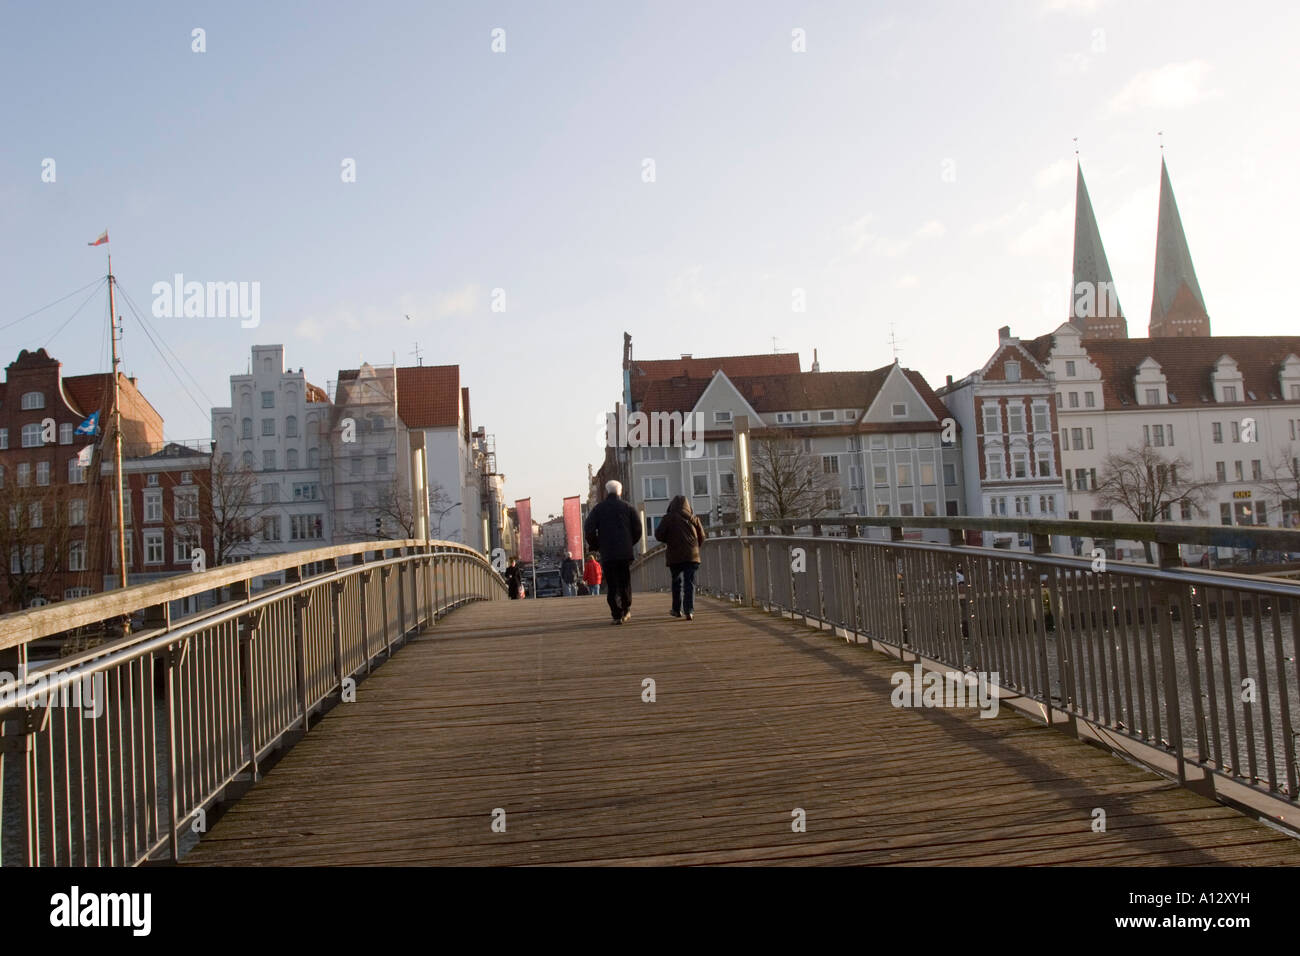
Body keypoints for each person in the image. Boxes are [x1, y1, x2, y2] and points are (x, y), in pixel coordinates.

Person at [583, 480, 642, 624]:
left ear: (607, 491)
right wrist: (630, 543)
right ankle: (626, 608)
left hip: (608, 552)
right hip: (624, 552)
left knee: (612, 583)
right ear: (620, 492)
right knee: (625, 581)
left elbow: (589, 529)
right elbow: (638, 529)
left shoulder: (598, 509)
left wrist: (597, 545)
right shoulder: (628, 507)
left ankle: (616, 613)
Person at [654, 495, 706, 620]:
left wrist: (668, 539)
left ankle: (677, 610)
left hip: (674, 555)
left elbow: (658, 535)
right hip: (691, 555)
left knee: (677, 582)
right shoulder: (694, 518)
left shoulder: (668, 518)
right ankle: (689, 611)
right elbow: (702, 536)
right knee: (690, 582)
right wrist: (695, 547)